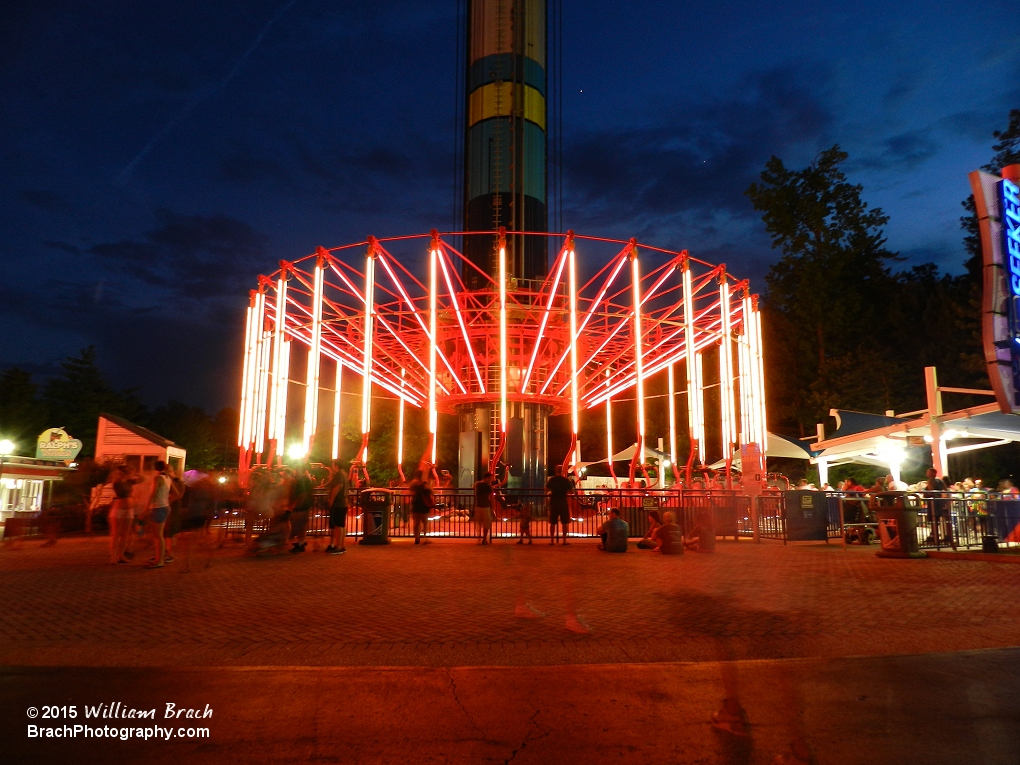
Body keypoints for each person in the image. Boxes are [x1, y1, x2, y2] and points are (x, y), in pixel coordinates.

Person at [108, 464, 143, 564]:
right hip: (119, 509)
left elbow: (143, 478)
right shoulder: (117, 482)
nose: (132, 473)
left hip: (129, 510)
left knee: (125, 535)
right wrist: (126, 473)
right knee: (115, 534)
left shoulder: (129, 482)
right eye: (131, 472)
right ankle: (113, 557)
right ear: (126, 473)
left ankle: (121, 556)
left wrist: (136, 473)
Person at [144, 460, 174, 568]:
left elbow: (153, 494)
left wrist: (146, 508)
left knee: (158, 536)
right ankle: (159, 558)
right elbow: (175, 492)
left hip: (158, 507)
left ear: (155, 468)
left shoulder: (158, 478)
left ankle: (159, 560)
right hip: (164, 506)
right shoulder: (167, 478)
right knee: (159, 535)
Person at [324, 461, 350, 555]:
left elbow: (337, 487)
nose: (332, 467)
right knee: (341, 525)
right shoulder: (345, 473)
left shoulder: (339, 474)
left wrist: (331, 500)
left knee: (337, 525)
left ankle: (337, 546)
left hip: (338, 503)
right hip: (344, 502)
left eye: (333, 465)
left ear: (336, 465)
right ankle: (341, 545)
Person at [546, 465, 574, 545]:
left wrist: (550, 493)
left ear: (556, 471)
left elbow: (546, 489)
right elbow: (572, 491)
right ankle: (564, 540)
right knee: (565, 522)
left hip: (554, 502)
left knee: (553, 522)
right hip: (563, 502)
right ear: (562, 471)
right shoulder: (566, 480)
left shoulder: (552, 480)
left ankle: (552, 540)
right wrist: (567, 492)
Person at [289, 467, 314, 553]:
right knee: (302, 525)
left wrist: (295, 504)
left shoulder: (302, 480)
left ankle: (300, 543)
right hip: (305, 504)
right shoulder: (307, 479)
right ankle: (301, 541)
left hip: (301, 505)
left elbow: (302, 494)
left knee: (299, 524)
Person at [408, 469, 434, 544]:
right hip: (424, 503)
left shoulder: (413, 484)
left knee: (416, 522)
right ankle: (425, 538)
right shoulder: (424, 483)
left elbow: (411, 491)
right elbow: (431, 491)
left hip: (416, 503)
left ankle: (417, 538)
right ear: (422, 475)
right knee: (425, 521)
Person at [473, 471, 495, 545]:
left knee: (479, 523)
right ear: (487, 478)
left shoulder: (477, 484)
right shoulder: (489, 487)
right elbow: (491, 497)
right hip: (486, 506)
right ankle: (484, 539)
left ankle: (479, 537)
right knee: (486, 524)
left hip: (478, 506)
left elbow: (473, 486)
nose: (491, 480)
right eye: (490, 478)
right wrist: (493, 507)